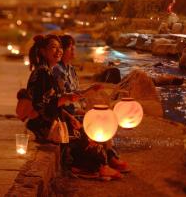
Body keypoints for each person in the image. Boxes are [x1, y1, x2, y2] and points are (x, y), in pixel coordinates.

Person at [26, 34, 123, 180]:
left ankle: (102, 164)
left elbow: (54, 103)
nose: (58, 51)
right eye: (53, 47)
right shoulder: (42, 73)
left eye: (59, 48)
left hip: (55, 118)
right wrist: (65, 100)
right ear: (42, 51)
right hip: (44, 125)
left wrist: (69, 117)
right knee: (84, 134)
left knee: (85, 128)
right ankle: (93, 167)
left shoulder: (48, 71)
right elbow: (40, 106)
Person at [53, 34, 129, 174]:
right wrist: (78, 109)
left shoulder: (70, 69)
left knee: (104, 117)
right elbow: (64, 97)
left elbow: (75, 91)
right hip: (67, 112)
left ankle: (110, 156)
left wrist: (90, 88)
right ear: (62, 50)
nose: (74, 50)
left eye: (74, 47)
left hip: (76, 108)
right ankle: (104, 160)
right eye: (71, 47)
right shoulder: (57, 70)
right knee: (98, 119)